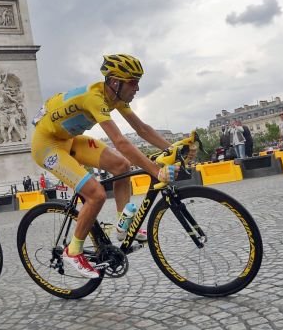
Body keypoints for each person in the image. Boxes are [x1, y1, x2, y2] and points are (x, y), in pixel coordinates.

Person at [30, 54, 180, 278]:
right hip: (47, 146)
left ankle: (123, 225)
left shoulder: (116, 97)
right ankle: (73, 251)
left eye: (138, 81)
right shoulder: (94, 97)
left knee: (122, 165)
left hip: (68, 140)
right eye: (132, 82)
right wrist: (155, 170)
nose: (137, 87)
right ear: (115, 82)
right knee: (96, 195)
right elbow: (120, 141)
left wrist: (173, 149)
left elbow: (143, 130)